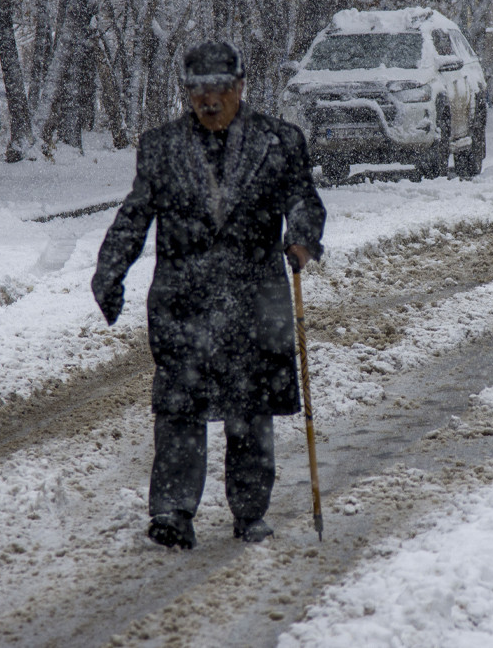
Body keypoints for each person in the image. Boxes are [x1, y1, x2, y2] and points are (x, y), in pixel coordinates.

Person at [90, 40, 326, 549]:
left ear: (241, 87)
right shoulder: (161, 147)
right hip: (184, 300)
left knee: (250, 410)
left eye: (220, 89)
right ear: (186, 93)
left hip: (253, 298)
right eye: (199, 91)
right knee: (179, 408)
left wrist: (302, 238)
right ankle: (173, 512)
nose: (210, 100)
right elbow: (136, 214)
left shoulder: (279, 142)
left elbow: (303, 198)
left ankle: (249, 511)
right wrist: (111, 270)